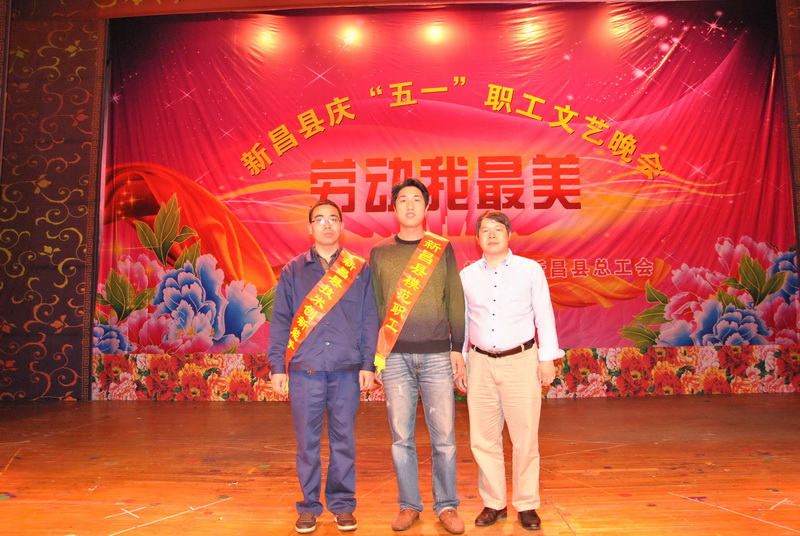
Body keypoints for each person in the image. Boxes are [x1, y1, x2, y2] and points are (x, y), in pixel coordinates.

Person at [268, 199, 378, 534]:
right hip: (306, 369)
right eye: (320, 219)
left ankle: (343, 505)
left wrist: (368, 364)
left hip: (347, 369)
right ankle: (308, 507)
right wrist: (277, 367)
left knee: (344, 440)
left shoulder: (359, 269)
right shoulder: (293, 270)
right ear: (310, 228)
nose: (327, 224)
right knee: (307, 443)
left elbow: (369, 319)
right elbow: (281, 321)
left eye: (333, 219)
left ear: (342, 226)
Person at [369, 178, 466, 534]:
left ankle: (447, 505)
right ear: (394, 208)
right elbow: (374, 307)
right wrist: (375, 357)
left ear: (426, 207)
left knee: (444, 438)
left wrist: (457, 348)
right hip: (394, 358)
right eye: (402, 200)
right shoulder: (380, 252)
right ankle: (409, 504)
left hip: (438, 355)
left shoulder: (442, 248)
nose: (409, 206)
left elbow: (455, 300)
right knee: (401, 438)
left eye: (416, 200)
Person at [459, 210, 564, 531]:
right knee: (483, 439)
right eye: (485, 230)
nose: (491, 235)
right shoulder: (467, 275)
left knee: (525, 437)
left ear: (509, 234)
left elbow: (544, 314)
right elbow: (463, 322)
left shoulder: (529, 270)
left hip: (521, 361)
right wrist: (461, 360)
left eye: (498, 229)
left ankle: (527, 504)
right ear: (477, 239)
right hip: (479, 363)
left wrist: (547, 358)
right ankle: (494, 503)